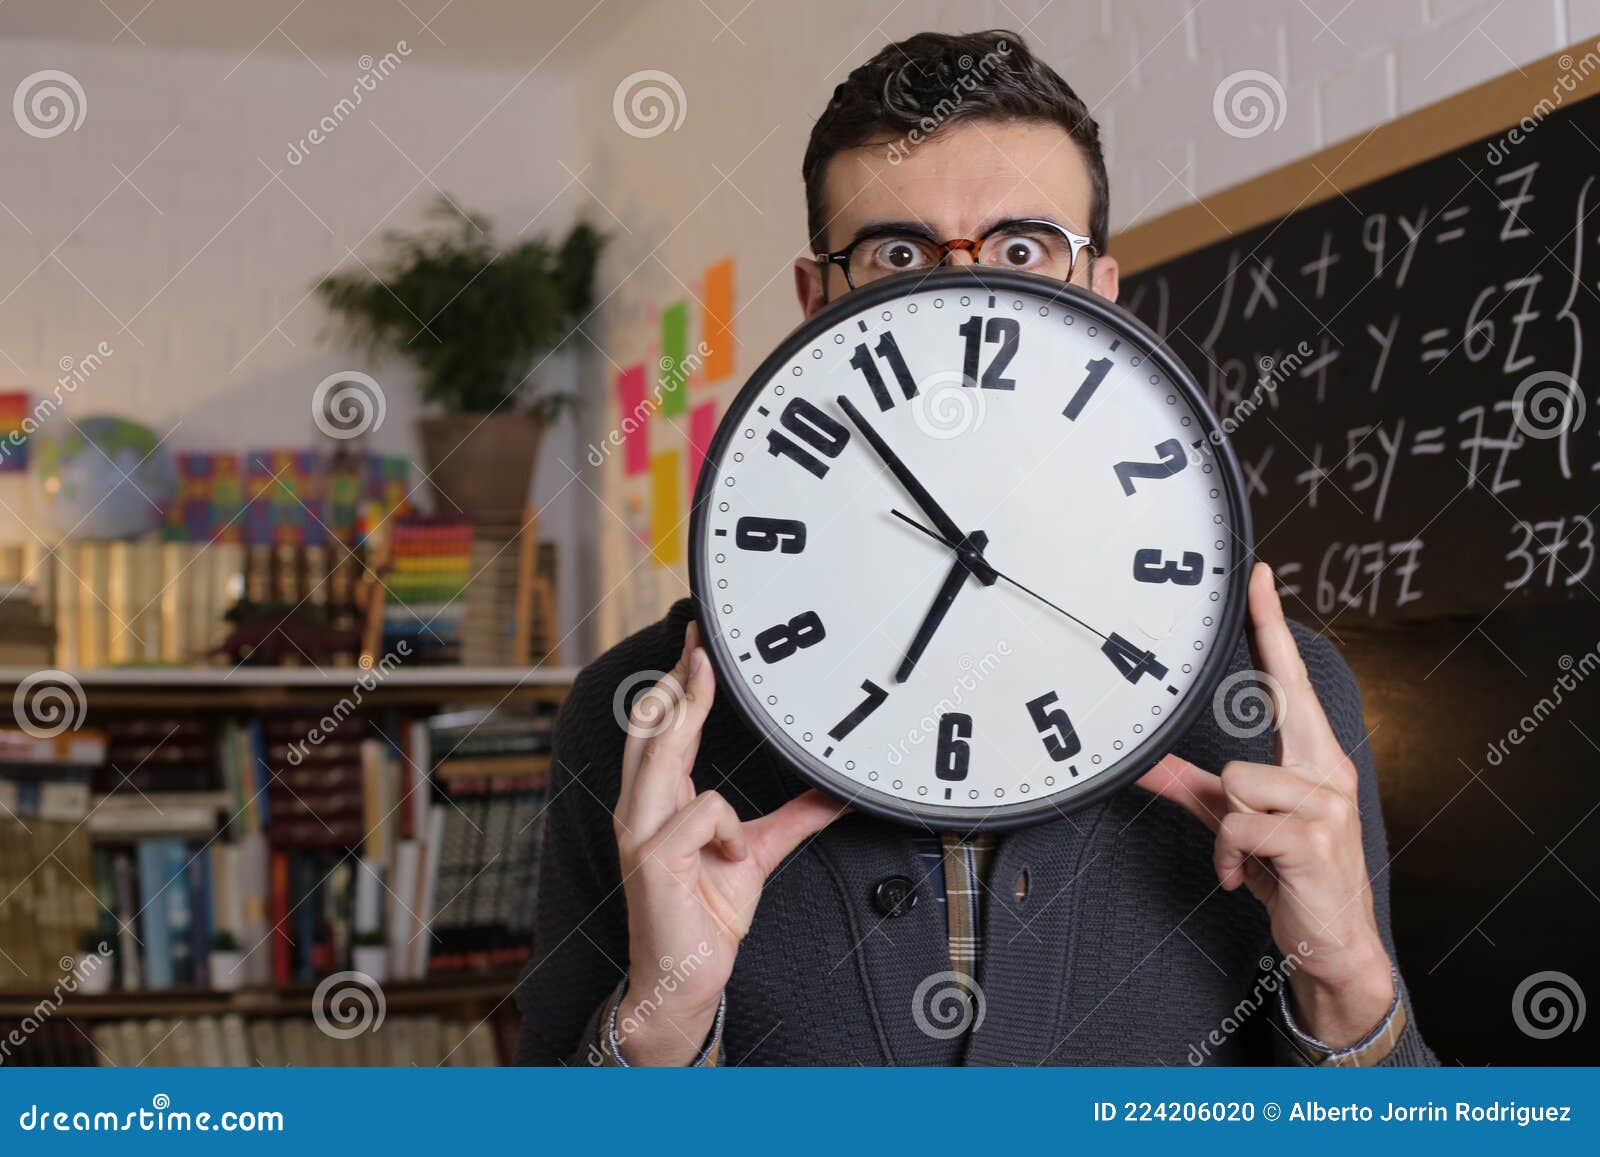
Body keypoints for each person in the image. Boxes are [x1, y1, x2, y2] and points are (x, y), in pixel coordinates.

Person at [514, 29, 1435, 1067]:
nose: (958, 299)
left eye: (1021, 249)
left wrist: (1346, 974)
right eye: (897, 254)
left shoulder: (1278, 710)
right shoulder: (636, 713)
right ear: (818, 300)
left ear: (1099, 291)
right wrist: (660, 1022)